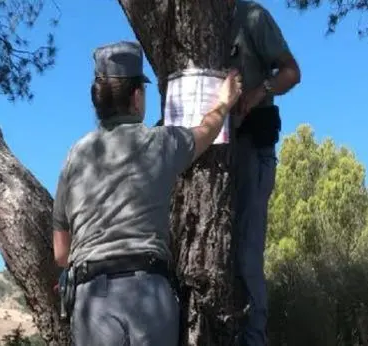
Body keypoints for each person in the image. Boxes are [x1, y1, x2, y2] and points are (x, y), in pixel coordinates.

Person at [51, 41, 242, 346]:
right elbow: (206, 132)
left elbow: (61, 253)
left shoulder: (75, 156)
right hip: (149, 294)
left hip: (91, 301)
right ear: (137, 97)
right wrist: (225, 101)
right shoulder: (160, 143)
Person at [228, 1, 301, 345]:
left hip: (253, 148)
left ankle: (254, 337)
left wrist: (260, 92)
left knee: (247, 253)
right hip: (214, 156)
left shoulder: (252, 17)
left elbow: (291, 72)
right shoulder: (190, 21)